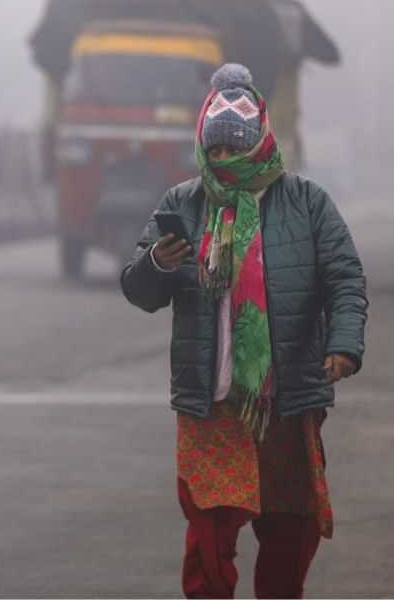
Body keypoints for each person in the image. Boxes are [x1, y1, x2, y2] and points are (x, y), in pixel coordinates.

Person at [121, 63, 368, 599]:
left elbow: (344, 278)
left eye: (236, 149)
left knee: (289, 528)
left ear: (261, 142)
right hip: (213, 406)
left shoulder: (307, 202)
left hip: (284, 401)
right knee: (209, 535)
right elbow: (140, 291)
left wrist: (344, 345)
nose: (224, 162)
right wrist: (158, 264)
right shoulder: (181, 204)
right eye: (216, 152)